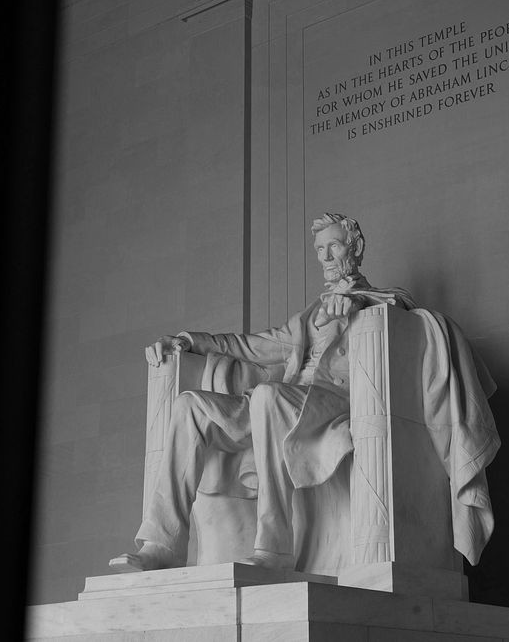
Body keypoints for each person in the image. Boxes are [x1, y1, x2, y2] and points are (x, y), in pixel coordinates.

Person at [110, 213, 414, 572]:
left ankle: (274, 547)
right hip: (277, 404)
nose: (326, 257)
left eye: (333, 245)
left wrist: (359, 307)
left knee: (269, 396)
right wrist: (188, 341)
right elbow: (249, 346)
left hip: (332, 404)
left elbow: (404, 310)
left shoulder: (382, 299)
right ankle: (163, 544)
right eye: (319, 249)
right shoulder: (307, 318)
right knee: (189, 406)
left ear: (356, 247)